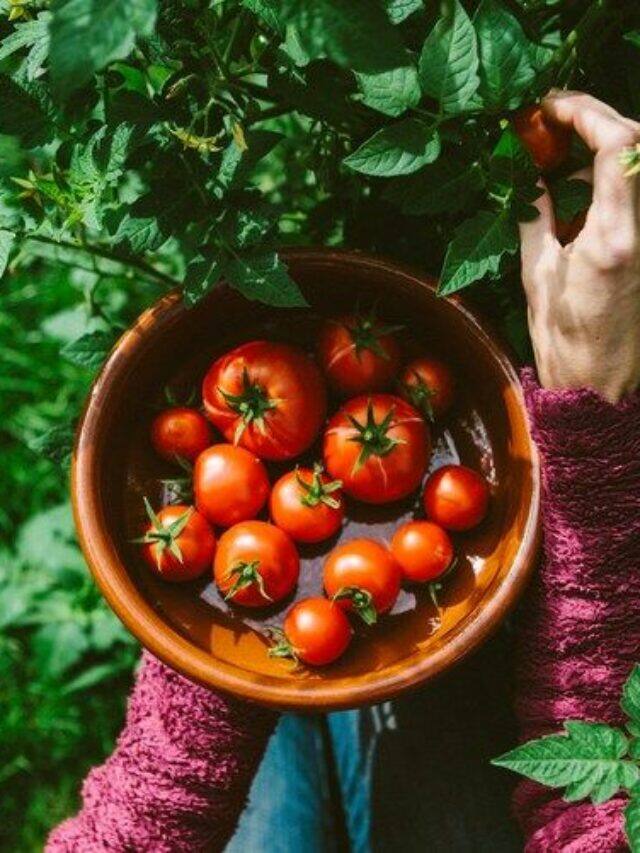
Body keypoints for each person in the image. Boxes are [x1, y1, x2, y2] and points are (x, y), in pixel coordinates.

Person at [47, 91, 640, 853]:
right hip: (339, 542)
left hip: (294, 555)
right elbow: (599, 819)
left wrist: (218, 648)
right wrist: (593, 455)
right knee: (422, 700)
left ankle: (320, 692)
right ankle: (340, 681)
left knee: (326, 698)